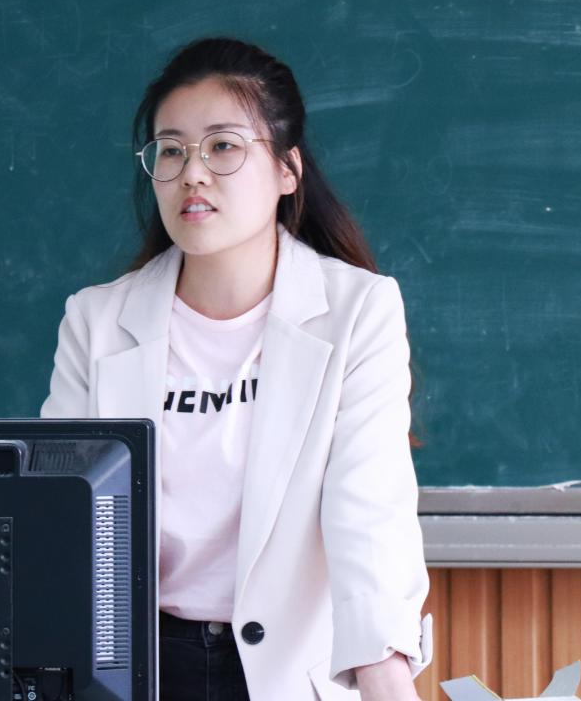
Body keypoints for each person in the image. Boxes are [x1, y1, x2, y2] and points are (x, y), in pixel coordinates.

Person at [40, 37, 431, 701]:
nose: (192, 172)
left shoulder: (356, 311)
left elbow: (369, 509)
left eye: (223, 146)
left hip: (292, 673)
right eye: (171, 150)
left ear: (287, 170)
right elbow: (60, 522)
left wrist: (386, 679)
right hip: (131, 668)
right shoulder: (96, 321)